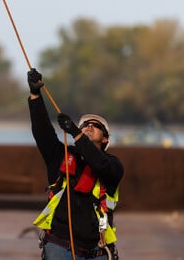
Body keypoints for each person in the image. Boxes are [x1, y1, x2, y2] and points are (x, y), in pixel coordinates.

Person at [27, 68, 124, 260]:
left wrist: (76, 133)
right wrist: (35, 95)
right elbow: (42, 132)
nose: (89, 126)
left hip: (97, 250)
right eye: (85, 124)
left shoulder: (113, 165)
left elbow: (100, 164)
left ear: (105, 139)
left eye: (96, 126)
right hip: (59, 246)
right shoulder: (61, 156)